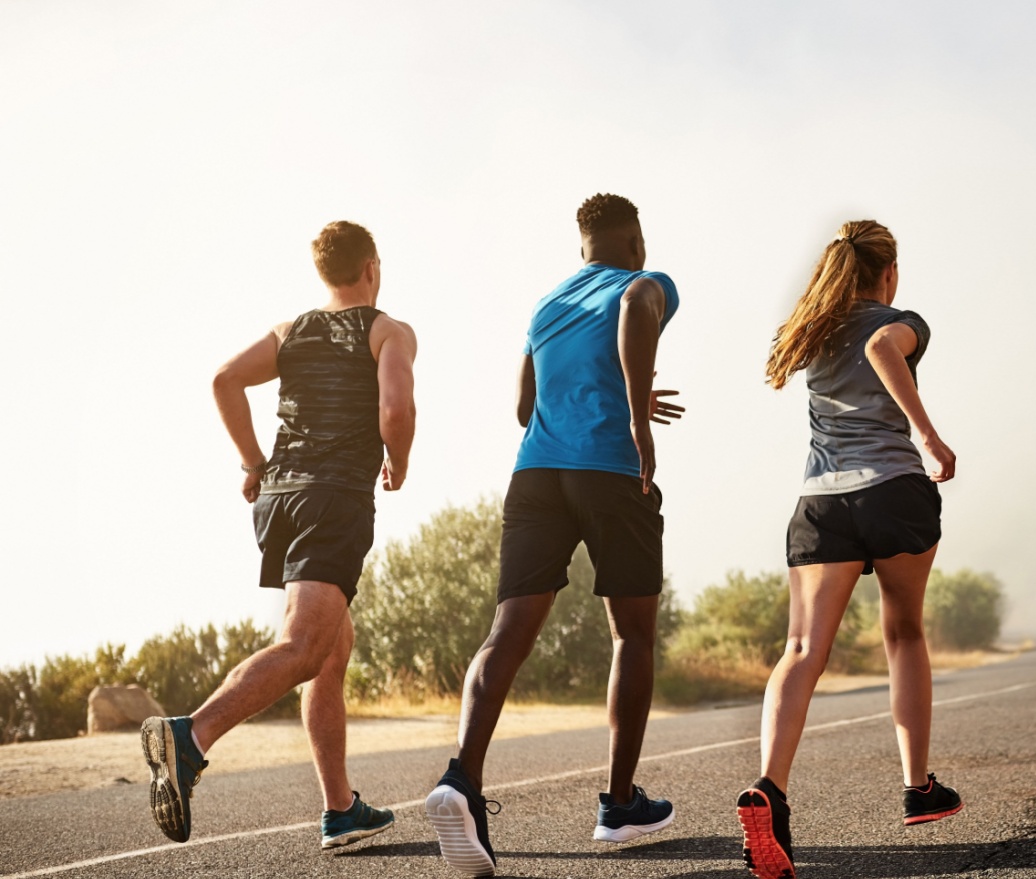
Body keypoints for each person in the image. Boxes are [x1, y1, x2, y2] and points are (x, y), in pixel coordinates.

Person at [425, 193, 686, 878]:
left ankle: (460, 779)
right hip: (608, 470)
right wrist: (637, 416)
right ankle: (621, 802)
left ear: (581, 246)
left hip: (537, 472)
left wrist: (601, 391)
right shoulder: (644, 283)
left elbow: (523, 407)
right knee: (631, 633)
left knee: (506, 630)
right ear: (635, 242)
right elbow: (635, 311)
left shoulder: (547, 305)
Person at [141, 221, 418, 849]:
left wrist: (253, 462)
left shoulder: (290, 332)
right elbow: (396, 410)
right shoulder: (387, 331)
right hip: (332, 498)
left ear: (325, 273)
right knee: (303, 645)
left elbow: (224, 380)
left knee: (329, 649)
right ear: (372, 267)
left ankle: (340, 807)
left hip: (279, 499)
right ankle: (191, 738)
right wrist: (397, 463)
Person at [736, 220, 963, 879]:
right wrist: (929, 435)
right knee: (904, 634)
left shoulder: (813, 327)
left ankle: (769, 789)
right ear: (887, 273)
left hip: (821, 504)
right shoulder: (898, 320)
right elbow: (885, 349)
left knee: (801, 652)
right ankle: (918, 786)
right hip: (893, 490)